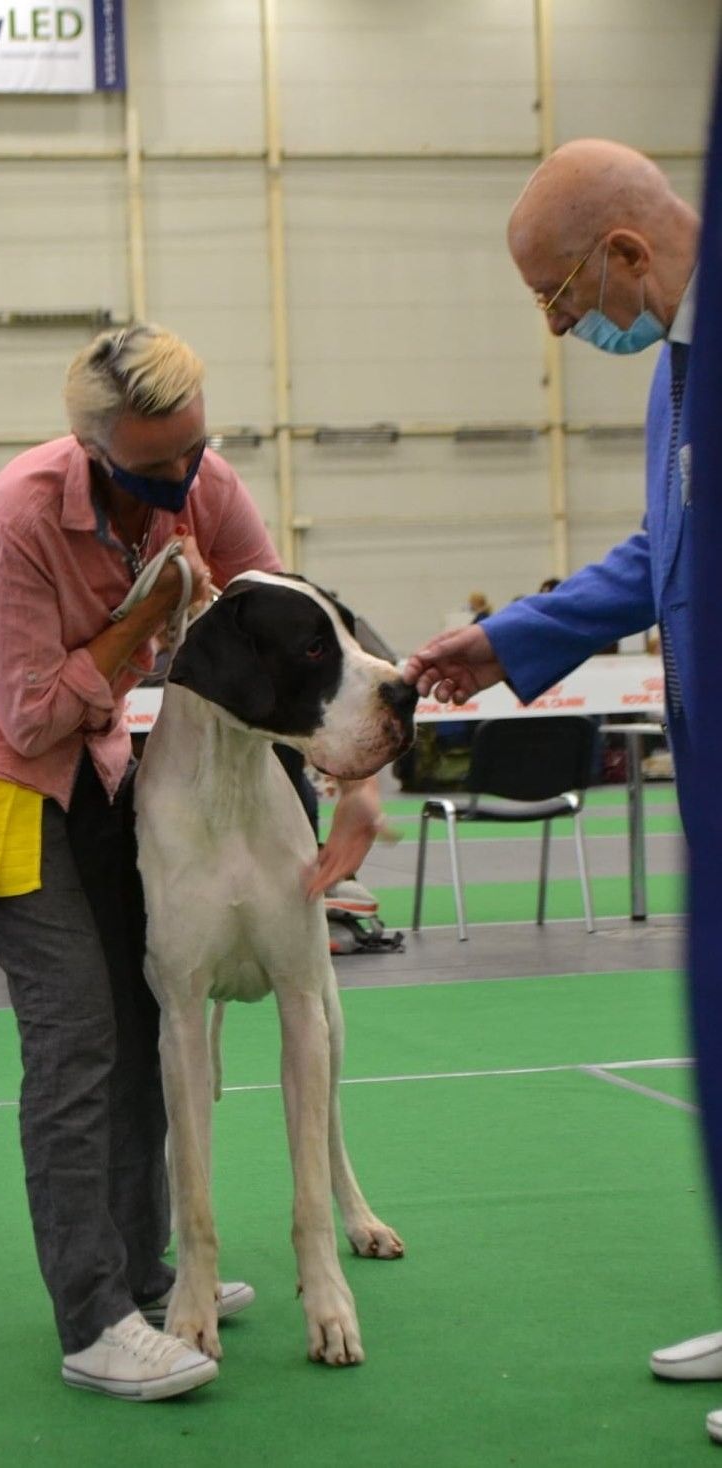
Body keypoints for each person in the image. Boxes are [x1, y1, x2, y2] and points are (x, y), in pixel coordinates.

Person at [0, 323, 382, 1403]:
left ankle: (153, 1275)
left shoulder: (200, 479)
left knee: (145, 1020)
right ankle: (93, 1320)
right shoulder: (23, 513)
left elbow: (298, 618)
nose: (184, 481)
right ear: (96, 448)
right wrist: (149, 616)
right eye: (156, 464)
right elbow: (31, 715)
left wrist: (361, 771)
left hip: (101, 766)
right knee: (77, 1030)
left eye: (194, 451)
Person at [400, 138, 717, 1443]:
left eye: (559, 295)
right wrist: (510, 637)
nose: (556, 325)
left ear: (625, 252)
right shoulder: (670, 379)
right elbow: (663, 554)